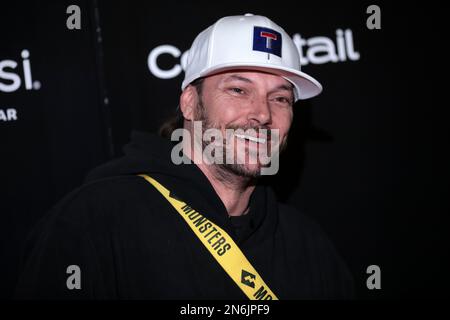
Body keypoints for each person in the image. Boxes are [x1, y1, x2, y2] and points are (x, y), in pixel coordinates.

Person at [15, 14, 354, 299]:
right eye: (238, 90)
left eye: (280, 99)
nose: (262, 114)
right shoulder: (92, 223)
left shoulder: (307, 245)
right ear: (190, 102)